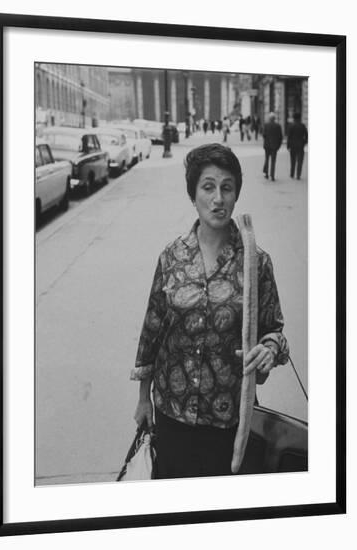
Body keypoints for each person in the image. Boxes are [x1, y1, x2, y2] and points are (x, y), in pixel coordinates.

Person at [131, 143, 289, 479]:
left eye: (227, 188)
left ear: (235, 195)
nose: (218, 198)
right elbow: (152, 330)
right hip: (172, 412)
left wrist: (270, 349)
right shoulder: (171, 257)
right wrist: (143, 399)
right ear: (194, 194)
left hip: (229, 421)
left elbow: (274, 329)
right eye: (208, 187)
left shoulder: (256, 262)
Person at [287, 113, 308, 179]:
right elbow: (306, 135)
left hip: (293, 145)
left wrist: (288, 146)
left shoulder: (291, 126)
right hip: (300, 145)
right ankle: (298, 175)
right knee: (300, 161)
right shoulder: (302, 126)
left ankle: (292, 174)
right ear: (299, 118)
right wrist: (304, 142)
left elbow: (289, 137)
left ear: (294, 118)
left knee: (293, 160)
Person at [262, 112, 283, 181]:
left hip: (267, 146)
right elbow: (280, 137)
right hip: (274, 146)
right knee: (273, 161)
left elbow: (264, 135)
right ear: (274, 119)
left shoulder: (266, 125)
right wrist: (278, 146)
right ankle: (272, 176)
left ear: (270, 118)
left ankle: (266, 174)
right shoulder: (278, 126)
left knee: (267, 159)